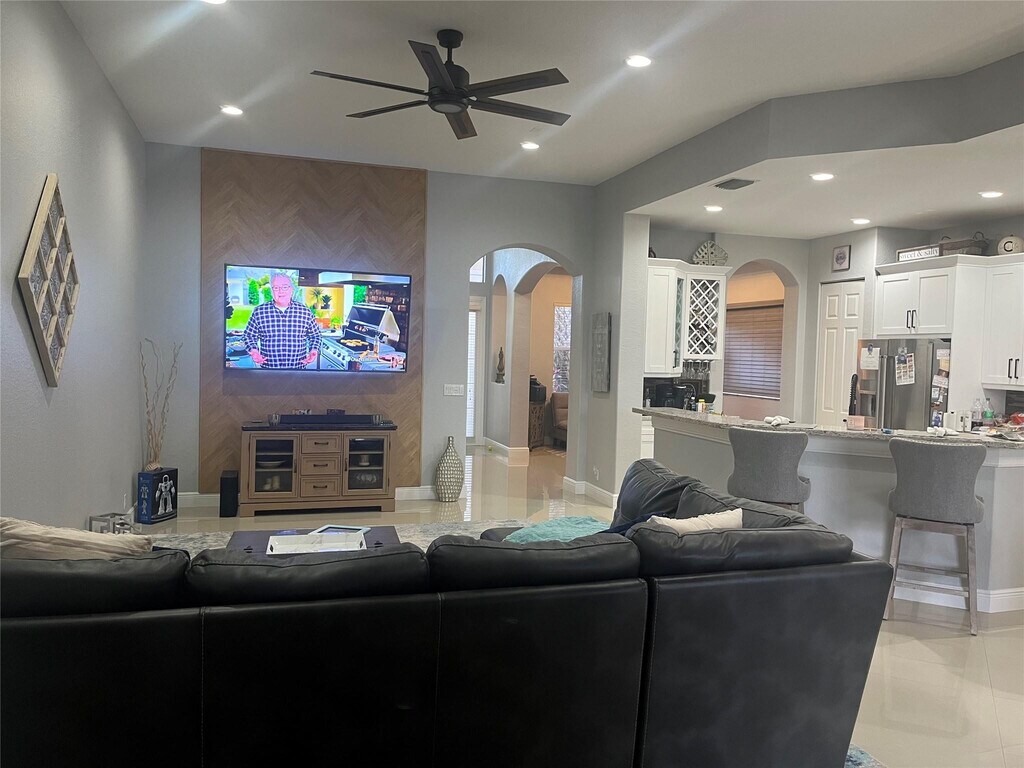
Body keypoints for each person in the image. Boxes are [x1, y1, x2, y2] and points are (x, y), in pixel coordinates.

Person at [243, 272, 321, 369]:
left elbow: (315, 335)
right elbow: (249, 336)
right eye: (276, 288)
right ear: (271, 291)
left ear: (291, 289)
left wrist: (313, 350)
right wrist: (254, 350)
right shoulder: (259, 311)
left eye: (284, 287)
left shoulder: (305, 312)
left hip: (298, 370)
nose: (280, 291)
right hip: (269, 370)